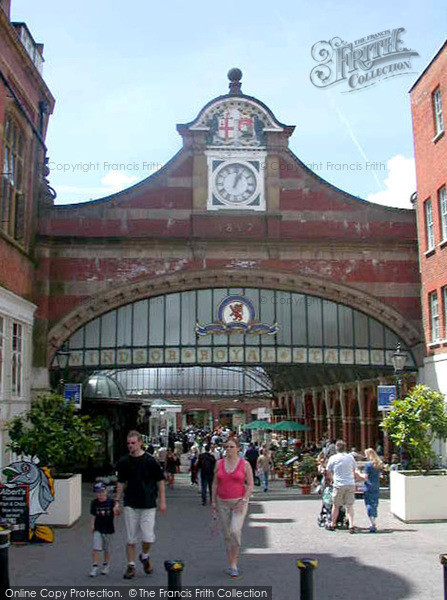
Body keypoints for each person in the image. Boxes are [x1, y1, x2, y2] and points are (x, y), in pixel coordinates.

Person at [115, 430, 166, 580]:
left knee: (148, 537)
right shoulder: (124, 462)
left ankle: (144, 555)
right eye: (128, 443)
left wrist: (162, 501)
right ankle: (131, 565)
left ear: (140, 443)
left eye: (133, 443)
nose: (130, 446)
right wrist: (117, 501)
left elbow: (160, 481)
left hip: (148, 504)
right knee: (131, 538)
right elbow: (121, 482)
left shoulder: (150, 461)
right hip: (131, 503)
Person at [212, 435, 254, 580]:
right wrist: (212, 501)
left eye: (231, 447)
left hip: (239, 502)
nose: (229, 449)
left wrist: (244, 499)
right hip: (222, 501)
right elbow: (215, 483)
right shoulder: (219, 463)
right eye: (227, 447)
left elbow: (250, 484)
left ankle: (235, 562)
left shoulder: (245, 464)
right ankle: (232, 563)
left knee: (235, 531)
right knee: (227, 535)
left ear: (238, 449)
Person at [325, 439, 357, 534]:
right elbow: (354, 469)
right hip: (350, 483)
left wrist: (332, 479)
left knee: (336, 505)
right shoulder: (350, 457)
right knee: (349, 506)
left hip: (339, 484)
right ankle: (351, 525)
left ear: (336, 448)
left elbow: (328, 471)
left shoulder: (333, 458)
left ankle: (333, 524)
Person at [89, 482, 115, 577]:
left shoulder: (111, 502)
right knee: (96, 547)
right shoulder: (94, 502)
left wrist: (116, 509)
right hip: (98, 527)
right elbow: (93, 515)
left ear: (106, 492)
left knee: (107, 548)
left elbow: (117, 512)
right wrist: (92, 525)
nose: (100, 495)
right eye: (98, 493)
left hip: (108, 528)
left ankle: (106, 564)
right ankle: (95, 565)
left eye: (102, 492)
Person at [360, 447, 383, 533]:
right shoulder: (378, 464)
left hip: (368, 486)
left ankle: (373, 522)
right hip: (376, 485)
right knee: (375, 503)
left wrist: (359, 475)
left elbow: (365, 477)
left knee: (369, 503)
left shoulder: (368, 465)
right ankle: (374, 519)